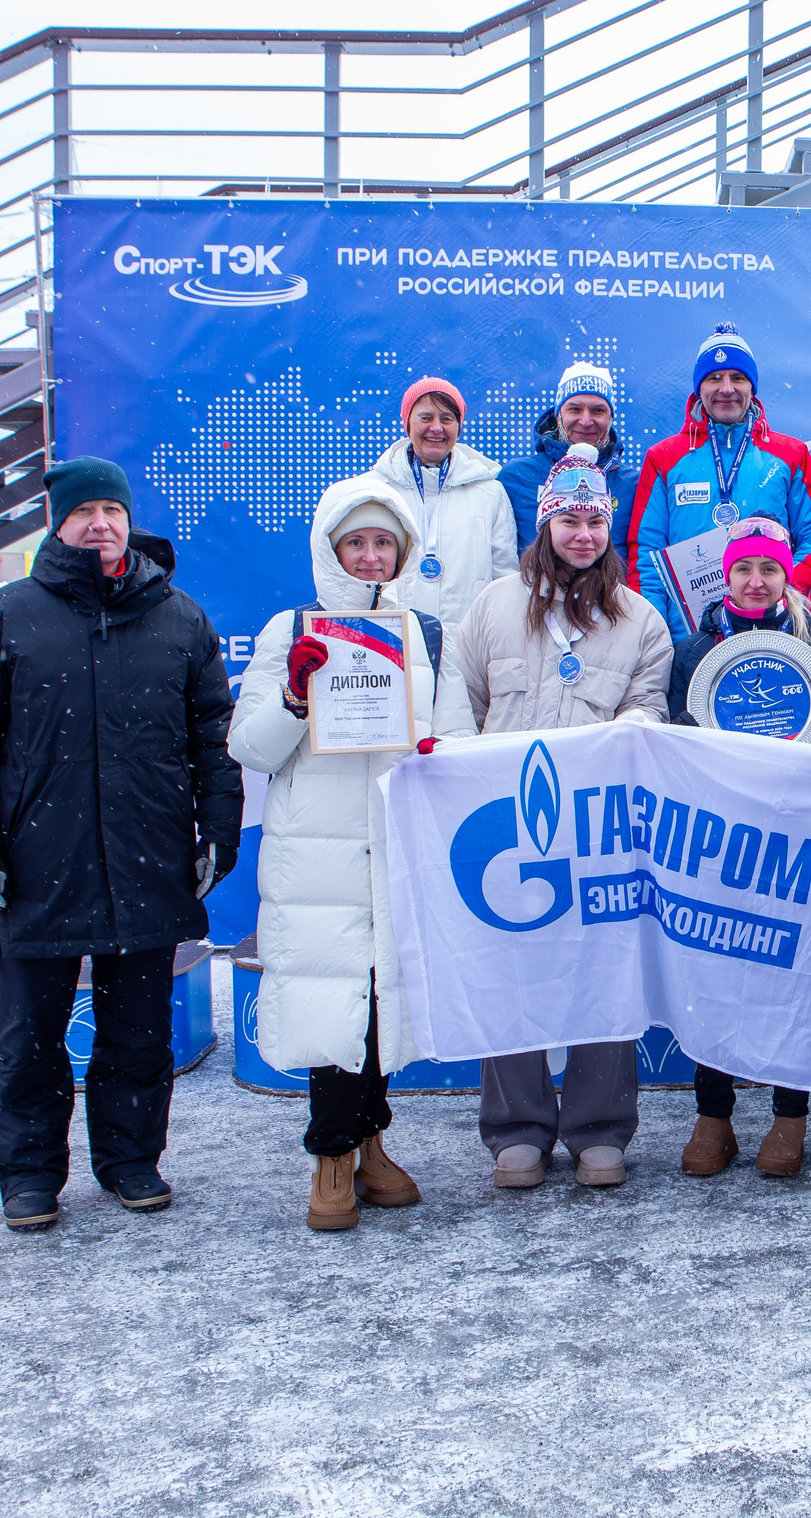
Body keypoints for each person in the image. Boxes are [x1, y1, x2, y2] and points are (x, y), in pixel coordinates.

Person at [0, 457, 244, 1233]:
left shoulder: (179, 618)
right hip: (39, 863)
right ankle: (30, 1175)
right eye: (84, 512)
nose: (99, 523)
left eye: (111, 509)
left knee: (139, 1029)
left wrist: (218, 827)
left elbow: (215, 738)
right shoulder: (6, 617)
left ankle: (131, 1160)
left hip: (149, 856)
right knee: (28, 1035)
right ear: (57, 522)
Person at [228, 477, 464, 1229]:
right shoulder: (288, 628)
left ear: (404, 552)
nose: (369, 557)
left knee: (380, 1004)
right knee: (335, 1003)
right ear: (332, 550)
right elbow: (250, 746)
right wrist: (296, 699)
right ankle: (329, 1156)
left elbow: (454, 735)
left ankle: (372, 1143)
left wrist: (436, 749)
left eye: (383, 543)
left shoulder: (425, 635)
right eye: (355, 543)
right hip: (318, 852)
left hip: (394, 844)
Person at [442, 444, 676, 1189]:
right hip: (505, 823)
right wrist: (458, 766)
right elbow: (461, 702)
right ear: (544, 524)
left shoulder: (638, 619)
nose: (582, 533)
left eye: (594, 520)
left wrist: (637, 729)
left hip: (599, 824)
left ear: (610, 528)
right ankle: (517, 1129)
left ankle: (600, 1128)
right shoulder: (492, 604)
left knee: (601, 967)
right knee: (511, 966)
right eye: (568, 519)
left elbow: (648, 708)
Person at [666, 517, 811, 1178]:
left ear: (786, 577)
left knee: (794, 974)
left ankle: (789, 1115)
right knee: (714, 972)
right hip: (720, 833)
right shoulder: (694, 651)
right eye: (744, 569)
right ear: (727, 576)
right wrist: (685, 733)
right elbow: (670, 739)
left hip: (796, 831)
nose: (755, 580)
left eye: (769, 570)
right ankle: (713, 1114)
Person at [629, 320, 811, 639]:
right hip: (687, 633)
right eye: (714, 378)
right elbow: (646, 551)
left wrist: (782, 586)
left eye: (737, 378)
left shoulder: (789, 454)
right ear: (698, 387)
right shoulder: (665, 458)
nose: (726, 388)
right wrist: (655, 627)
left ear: (752, 387)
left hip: (772, 625)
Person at [357, 375, 517, 629]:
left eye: (447, 419)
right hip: (394, 642)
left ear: (459, 426)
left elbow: (504, 580)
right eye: (425, 417)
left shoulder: (489, 493)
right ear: (407, 423)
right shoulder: (375, 489)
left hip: (465, 647)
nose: (436, 428)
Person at [498, 360, 638, 555]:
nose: (586, 421)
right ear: (558, 416)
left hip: (608, 586)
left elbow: (643, 558)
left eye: (598, 410)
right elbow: (499, 558)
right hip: (536, 586)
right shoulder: (516, 477)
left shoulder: (633, 485)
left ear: (610, 418)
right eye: (574, 409)